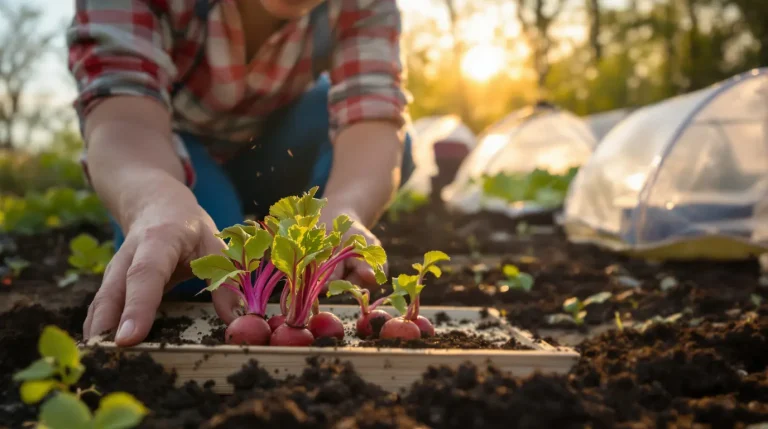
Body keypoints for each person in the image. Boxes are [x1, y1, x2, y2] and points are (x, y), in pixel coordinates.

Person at [67, 0, 413, 347]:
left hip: (275, 144)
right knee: (195, 272)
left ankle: (282, 267)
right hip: (172, 148)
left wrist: (345, 207)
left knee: (387, 147)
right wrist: (154, 201)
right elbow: (123, 120)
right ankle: (244, 248)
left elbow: (373, 113)